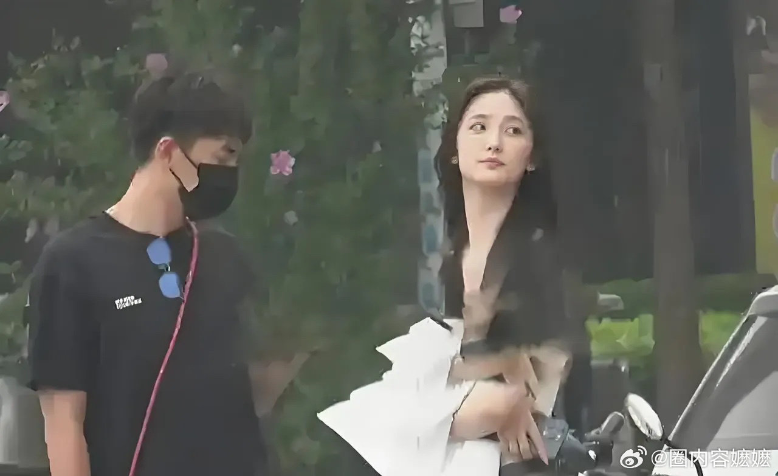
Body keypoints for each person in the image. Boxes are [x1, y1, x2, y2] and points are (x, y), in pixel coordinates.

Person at [26, 71, 284, 476]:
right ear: (168, 151)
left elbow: (247, 396)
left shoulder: (225, 256)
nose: (230, 172)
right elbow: (64, 423)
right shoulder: (73, 264)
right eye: (222, 157)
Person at [318, 77, 577, 475]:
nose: (494, 143)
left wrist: (504, 386)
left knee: (373, 418)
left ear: (532, 157)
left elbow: (532, 388)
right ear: (454, 149)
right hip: (461, 440)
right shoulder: (456, 253)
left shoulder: (537, 250)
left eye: (513, 130)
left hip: (507, 455)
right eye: (479, 127)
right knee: (364, 416)